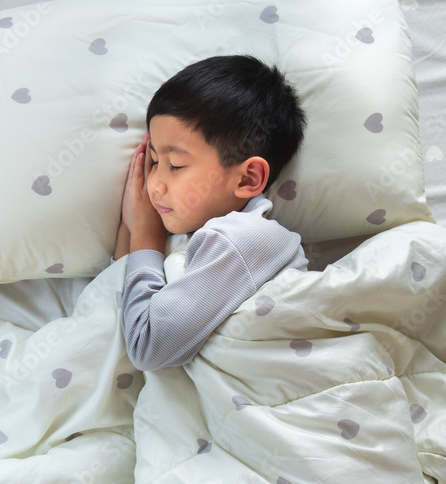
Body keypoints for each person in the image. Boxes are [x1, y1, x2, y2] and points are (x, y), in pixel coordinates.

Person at [113, 54, 308, 371]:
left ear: (247, 178)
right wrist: (130, 227)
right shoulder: (186, 239)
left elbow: (146, 347)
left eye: (175, 165)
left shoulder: (243, 239)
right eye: (153, 162)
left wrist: (145, 236)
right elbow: (119, 312)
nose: (154, 185)